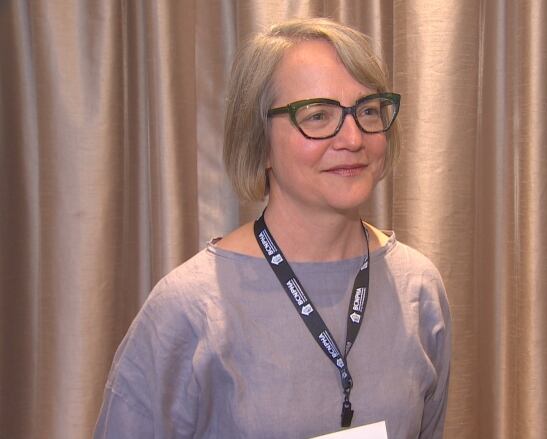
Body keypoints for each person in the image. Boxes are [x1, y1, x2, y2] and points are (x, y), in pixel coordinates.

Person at [94, 17, 451, 439]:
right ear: (258, 141)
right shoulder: (189, 308)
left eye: (368, 110)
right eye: (318, 115)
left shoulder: (418, 287)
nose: (353, 138)